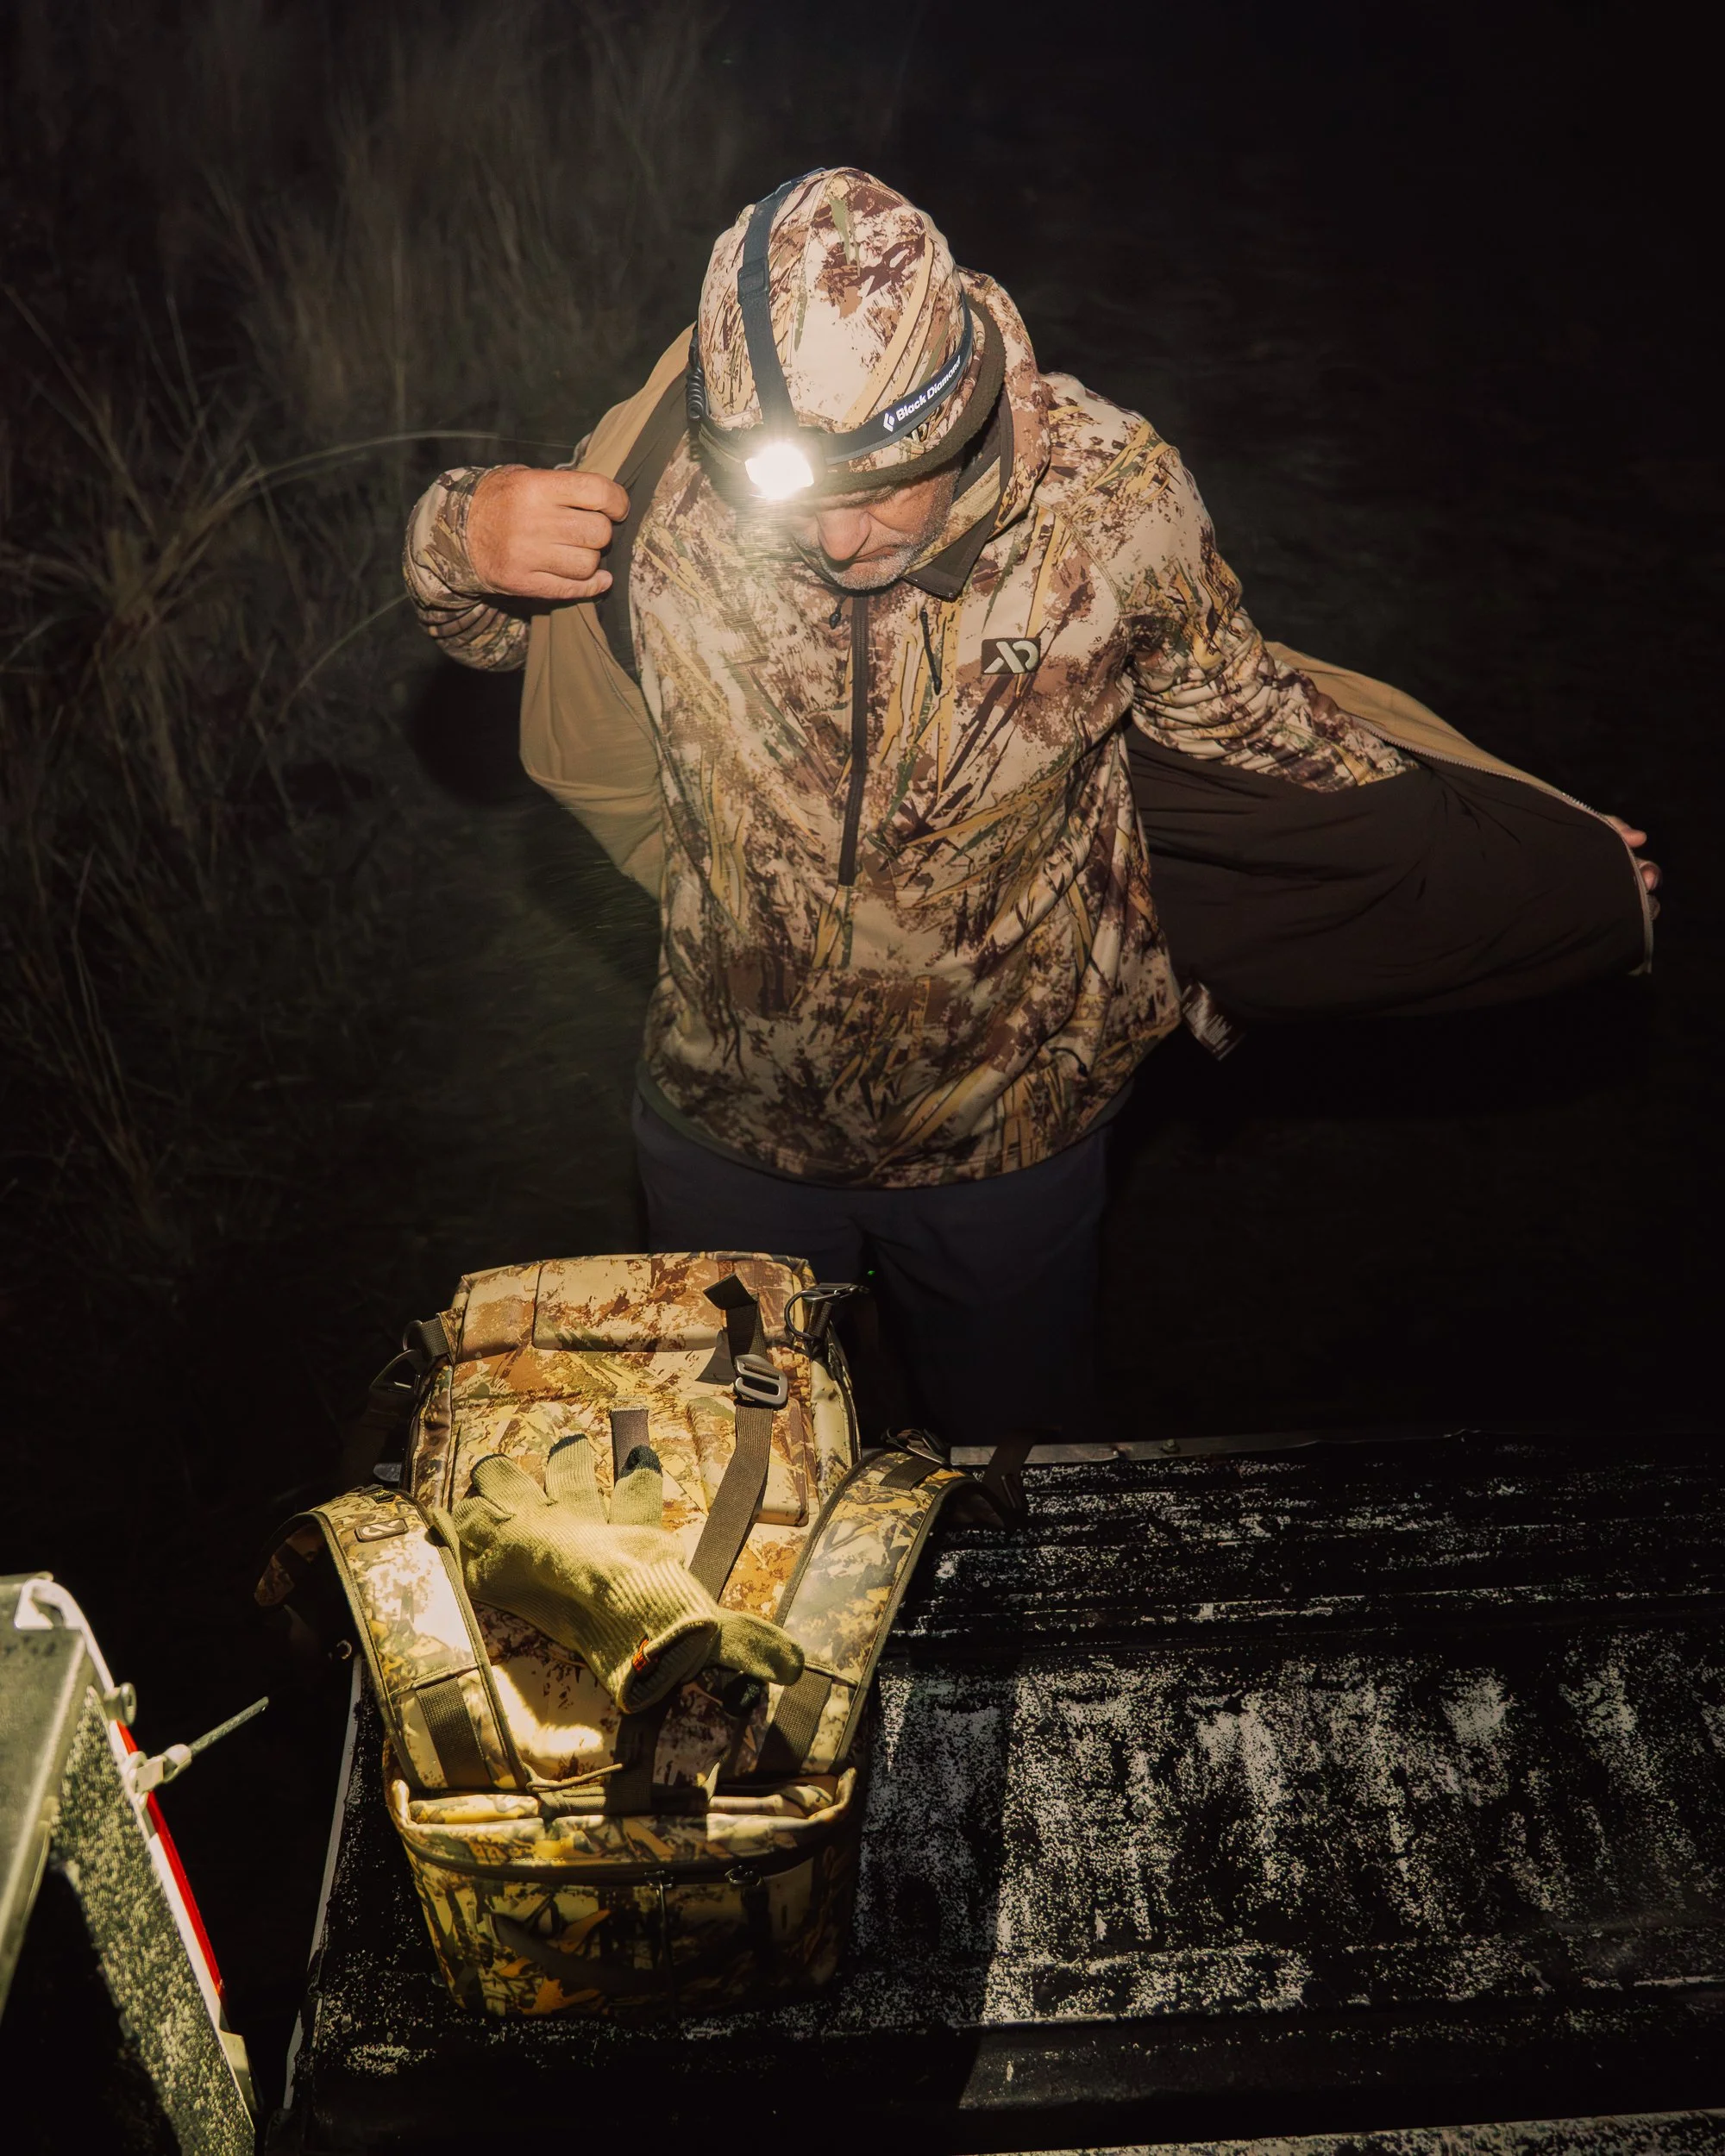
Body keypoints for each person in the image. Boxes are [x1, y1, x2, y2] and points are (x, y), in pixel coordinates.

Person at [403, 168, 1657, 1450]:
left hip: (1010, 1131)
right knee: (739, 1494)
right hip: (728, 1119)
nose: (843, 542)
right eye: (800, 497)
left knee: (1019, 1479)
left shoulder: (1112, 504)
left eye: (890, 482)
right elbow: (511, 644)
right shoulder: (675, 484)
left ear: (960, 405)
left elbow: (1257, 733)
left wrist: (1522, 854)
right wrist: (458, 536)